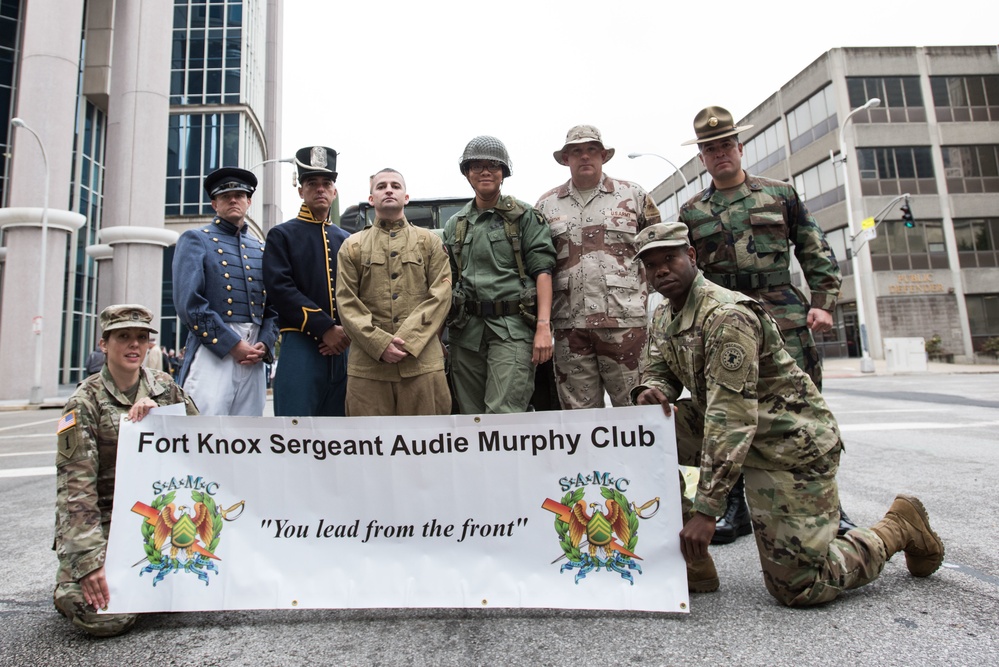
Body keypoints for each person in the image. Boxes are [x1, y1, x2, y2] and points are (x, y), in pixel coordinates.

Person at [631, 222, 944, 605]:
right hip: (733, 427)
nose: (661, 270)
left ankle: (898, 526)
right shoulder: (664, 315)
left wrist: (706, 510)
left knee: (800, 587)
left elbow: (731, 418)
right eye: (651, 265)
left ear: (691, 257)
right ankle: (690, 563)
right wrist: (653, 391)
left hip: (788, 443)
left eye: (670, 258)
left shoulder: (726, 315)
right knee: (643, 433)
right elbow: (659, 368)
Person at [676, 106, 855, 542]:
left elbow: (814, 247)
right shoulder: (693, 210)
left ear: (740, 148)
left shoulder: (780, 195)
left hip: (784, 315)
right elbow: (687, 272)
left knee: (801, 413)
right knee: (728, 409)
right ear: (702, 157)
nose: (720, 154)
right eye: (710, 149)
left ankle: (829, 505)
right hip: (726, 321)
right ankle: (734, 507)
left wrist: (825, 303)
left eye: (726, 146)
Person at [54, 304, 199, 637]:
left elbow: (202, 445)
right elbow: (75, 491)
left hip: (161, 519)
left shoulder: (166, 388)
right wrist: (90, 563)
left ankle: (145, 588)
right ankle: (70, 584)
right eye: (123, 337)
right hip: (107, 524)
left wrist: (163, 415)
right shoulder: (83, 403)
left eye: (142, 337)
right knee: (102, 617)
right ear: (104, 344)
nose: (134, 345)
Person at [535, 124, 660, 409]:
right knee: (580, 419)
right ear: (566, 159)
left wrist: (636, 297)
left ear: (603, 155)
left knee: (636, 412)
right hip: (571, 329)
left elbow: (658, 254)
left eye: (592, 150)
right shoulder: (545, 206)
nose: (585, 157)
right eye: (576, 151)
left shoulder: (634, 196)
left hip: (625, 326)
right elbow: (540, 265)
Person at [442, 136, 555, 414]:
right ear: (467, 174)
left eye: (493, 165)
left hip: (512, 330)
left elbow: (543, 271)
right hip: (466, 333)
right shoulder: (455, 225)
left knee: (504, 415)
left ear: (503, 173)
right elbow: (448, 282)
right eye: (476, 166)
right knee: (472, 418)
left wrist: (543, 326)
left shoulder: (524, 216)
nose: (485, 172)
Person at [336, 168, 452, 416]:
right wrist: (379, 344)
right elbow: (346, 301)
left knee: (428, 445)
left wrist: (409, 341)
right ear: (371, 199)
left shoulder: (429, 242)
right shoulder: (352, 246)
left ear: (406, 197)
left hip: (421, 365)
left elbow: (441, 295)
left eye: (395, 185)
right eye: (381, 186)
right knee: (370, 446)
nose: (389, 189)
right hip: (368, 369)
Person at [172, 167, 278, 416]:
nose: (233, 199)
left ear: (248, 201)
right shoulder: (196, 239)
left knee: (247, 434)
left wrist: (265, 342)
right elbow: (189, 304)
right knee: (203, 429)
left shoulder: (261, 248)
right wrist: (232, 344)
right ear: (214, 203)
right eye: (225, 196)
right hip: (214, 349)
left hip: (254, 352)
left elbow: (272, 306)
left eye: (240, 195)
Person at [263, 146, 351, 416]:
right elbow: (280, 289)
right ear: (301, 190)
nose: (320, 189)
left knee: (342, 435)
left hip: (346, 345)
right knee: (296, 430)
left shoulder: (347, 239)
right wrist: (324, 327)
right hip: (301, 342)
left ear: (334, 191)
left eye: (326, 183)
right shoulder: (282, 235)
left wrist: (345, 331)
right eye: (312, 183)